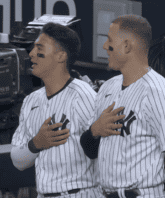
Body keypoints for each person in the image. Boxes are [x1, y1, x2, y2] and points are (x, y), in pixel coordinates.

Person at [80, 14, 165, 198]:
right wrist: (95, 130)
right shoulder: (108, 88)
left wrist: (148, 182)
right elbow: (90, 150)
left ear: (126, 46)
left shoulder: (156, 91)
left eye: (109, 40)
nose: (104, 46)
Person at [10, 22, 102, 198]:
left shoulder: (83, 96)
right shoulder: (31, 101)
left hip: (79, 193)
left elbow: (103, 149)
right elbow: (17, 161)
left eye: (39, 48)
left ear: (61, 56)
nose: (31, 54)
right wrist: (36, 143)